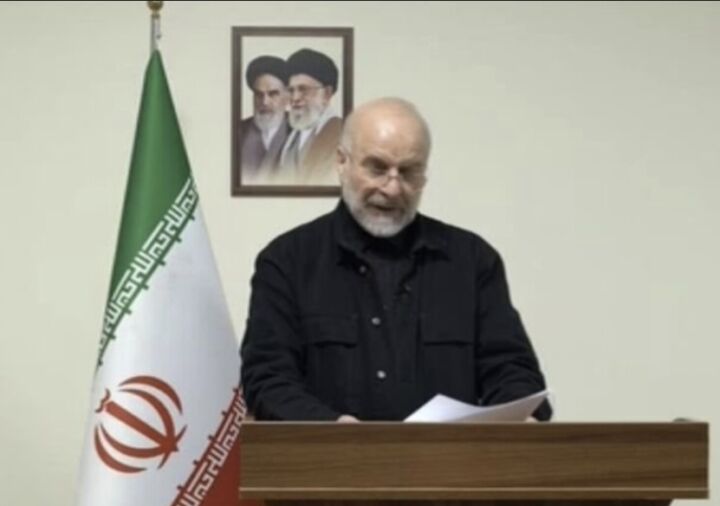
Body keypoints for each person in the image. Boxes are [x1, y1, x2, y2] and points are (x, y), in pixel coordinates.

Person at [241, 97, 551, 422]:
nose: (392, 188)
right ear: (342, 162)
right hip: (332, 453)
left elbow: (511, 370)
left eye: (408, 172)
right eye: (377, 168)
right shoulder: (286, 262)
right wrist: (331, 429)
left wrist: (521, 416)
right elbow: (267, 379)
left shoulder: (473, 261)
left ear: (424, 176)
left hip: (449, 455)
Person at [278, 48, 343, 185]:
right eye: (291, 90)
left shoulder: (341, 133)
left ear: (327, 93)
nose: (295, 98)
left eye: (303, 89)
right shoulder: (290, 138)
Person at [238, 55, 290, 183]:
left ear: (287, 97)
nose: (264, 102)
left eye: (273, 94)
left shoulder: (301, 133)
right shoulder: (238, 132)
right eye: (258, 94)